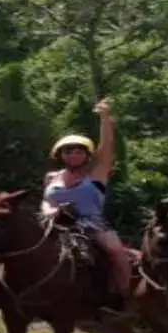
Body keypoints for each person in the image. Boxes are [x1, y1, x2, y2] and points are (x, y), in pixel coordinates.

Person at [40, 99, 134, 313]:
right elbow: (46, 200)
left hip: (91, 223)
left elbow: (107, 149)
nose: (73, 154)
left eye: (78, 151)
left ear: (87, 154)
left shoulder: (97, 174)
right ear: (60, 155)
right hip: (55, 221)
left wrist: (105, 119)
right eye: (68, 151)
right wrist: (50, 211)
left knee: (115, 252)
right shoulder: (51, 177)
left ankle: (122, 296)